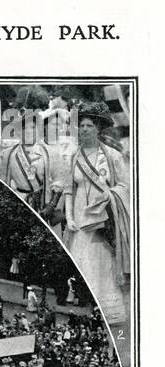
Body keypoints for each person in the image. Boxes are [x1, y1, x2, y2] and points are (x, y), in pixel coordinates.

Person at [64, 104, 131, 326]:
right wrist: (69, 218)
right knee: (84, 266)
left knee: (104, 265)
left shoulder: (112, 155)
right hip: (80, 221)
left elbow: (124, 186)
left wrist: (110, 195)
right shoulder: (74, 156)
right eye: (81, 125)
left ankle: (111, 314)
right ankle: (88, 313)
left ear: (98, 128)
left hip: (103, 219)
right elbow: (68, 190)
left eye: (89, 125)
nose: (84, 129)